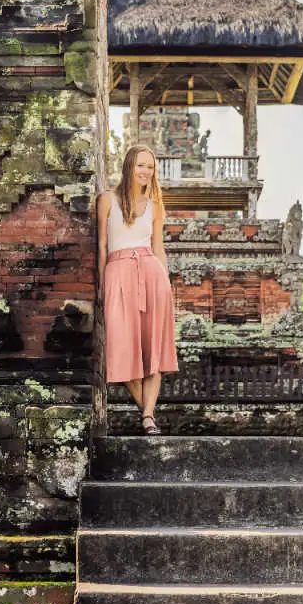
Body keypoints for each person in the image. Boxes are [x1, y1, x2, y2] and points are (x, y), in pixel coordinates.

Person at [97, 144, 178, 435]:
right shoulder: (107, 200)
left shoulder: (156, 206)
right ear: (129, 165)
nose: (146, 171)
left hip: (152, 276)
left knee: (154, 349)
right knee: (122, 348)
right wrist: (100, 287)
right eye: (141, 165)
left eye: (151, 167)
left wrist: (166, 284)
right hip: (117, 274)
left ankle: (147, 417)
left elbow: (159, 248)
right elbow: (102, 245)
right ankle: (148, 411)